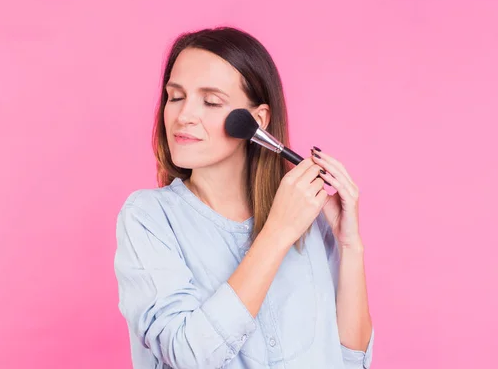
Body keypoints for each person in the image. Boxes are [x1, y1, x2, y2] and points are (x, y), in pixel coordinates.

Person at [114, 26, 374, 368]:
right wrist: (277, 233)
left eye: (210, 101)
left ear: (258, 121)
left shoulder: (308, 215)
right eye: (175, 97)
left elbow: (352, 362)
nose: (184, 116)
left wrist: (350, 246)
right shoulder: (148, 217)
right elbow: (187, 357)